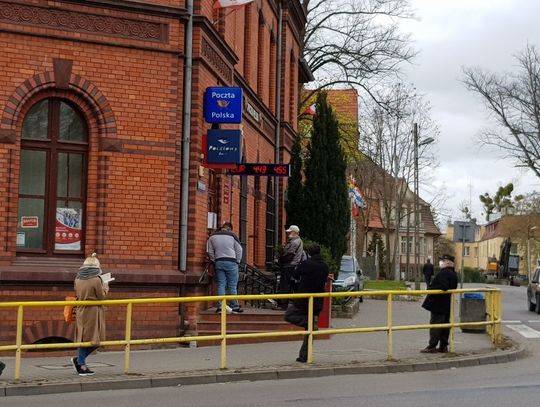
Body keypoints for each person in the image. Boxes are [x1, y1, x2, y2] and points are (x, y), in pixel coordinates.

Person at [284, 244, 329, 363]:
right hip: (317, 301)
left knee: (289, 315)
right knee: (309, 333)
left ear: (309, 253)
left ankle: (308, 323)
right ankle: (304, 356)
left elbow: (295, 275)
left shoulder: (306, 264)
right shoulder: (324, 266)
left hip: (303, 300)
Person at [71, 253, 109, 376]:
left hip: (81, 310)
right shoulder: (97, 279)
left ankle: (80, 361)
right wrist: (106, 286)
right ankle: (81, 363)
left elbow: (76, 293)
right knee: (95, 339)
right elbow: (101, 296)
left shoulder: (78, 278)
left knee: (83, 338)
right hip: (93, 311)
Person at [420, 254, 458, 354]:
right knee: (445, 325)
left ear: (447, 262)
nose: (440, 262)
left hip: (438, 304)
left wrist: (431, 288)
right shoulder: (453, 273)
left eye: (442, 261)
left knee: (436, 325)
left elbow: (443, 286)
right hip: (447, 304)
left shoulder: (444, 273)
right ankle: (443, 346)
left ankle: (432, 346)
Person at [207, 222, 244, 314]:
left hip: (219, 262)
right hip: (231, 261)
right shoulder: (232, 236)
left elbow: (210, 251)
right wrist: (237, 261)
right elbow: (239, 249)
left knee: (221, 284)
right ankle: (234, 306)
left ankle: (221, 306)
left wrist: (214, 260)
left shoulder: (212, 237)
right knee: (232, 285)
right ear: (229, 229)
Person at [277, 225, 304, 309]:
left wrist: (281, 260)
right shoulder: (297, 241)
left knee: (285, 285)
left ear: (294, 232)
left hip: (289, 266)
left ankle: (283, 304)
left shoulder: (294, 242)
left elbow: (289, 254)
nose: (288, 234)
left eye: (290, 232)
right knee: (291, 285)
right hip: (292, 265)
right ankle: (292, 303)